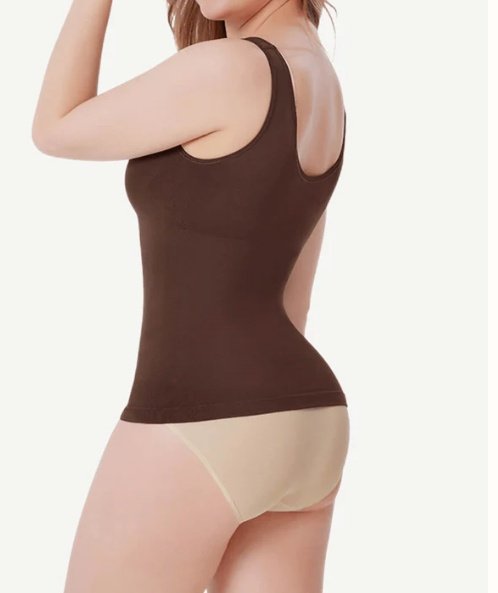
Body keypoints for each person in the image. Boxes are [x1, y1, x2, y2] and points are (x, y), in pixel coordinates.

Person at [32, 0, 350, 590]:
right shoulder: (321, 79)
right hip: (309, 423)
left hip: (201, 412)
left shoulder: (232, 68)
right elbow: (294, 300)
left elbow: (55, 126)